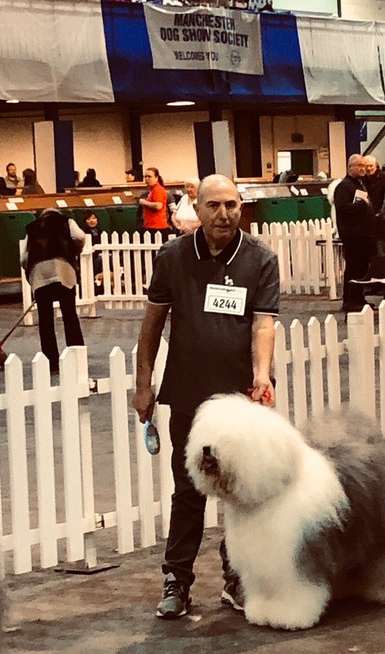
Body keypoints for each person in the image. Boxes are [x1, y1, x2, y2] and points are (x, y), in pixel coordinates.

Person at [132, 174, 280, 619]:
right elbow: (152, 325)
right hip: (188, 394)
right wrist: (143, 385)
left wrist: (262, 375)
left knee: (242, 490)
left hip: (241, 399)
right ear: (195, 209)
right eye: (214, 205)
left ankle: (237, 577)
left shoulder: (261, 259)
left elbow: (264, 323)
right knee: (189, 489)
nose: (224, 214)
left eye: (232, 205)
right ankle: (177, 580)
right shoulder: (173, 257)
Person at [22, 209, 86, 373]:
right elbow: (79, 237)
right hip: (63, 269)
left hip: (40, 273)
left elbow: (24, 258)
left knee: (45, 319)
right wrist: (75, 250)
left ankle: (52, 362)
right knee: (69, 314)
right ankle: (76, 355)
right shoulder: (67, 221)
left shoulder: (32, 227)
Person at [334, 154, 375, 312]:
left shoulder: (361, 184)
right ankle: (350, 300)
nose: (363, 169)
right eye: (359, 166)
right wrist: (361, 206)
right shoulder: (344, 187)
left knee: (362, 268)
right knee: (353, 267)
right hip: (353, 234)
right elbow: (343, 208)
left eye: (364, 166)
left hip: (364, 234)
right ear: (350, 167)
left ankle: (359, 297)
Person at [139, 166, 169, 236]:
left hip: (157, 228)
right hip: (151, 226)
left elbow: (158, 206)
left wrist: (144, 202)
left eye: (149, 176)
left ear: (156, 177)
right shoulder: (152, 190)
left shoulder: (158, 189)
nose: (146, 179)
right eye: (145, 177)